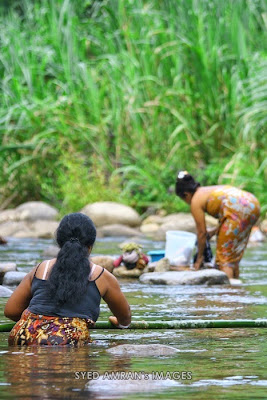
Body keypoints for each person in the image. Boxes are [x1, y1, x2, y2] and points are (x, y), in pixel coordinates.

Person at [4, 212, 131, 346]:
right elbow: (125, 318)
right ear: (90, 246)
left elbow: (11, 311)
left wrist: (40, 321)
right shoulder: (101, 276)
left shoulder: (41, 268)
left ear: (60, 243)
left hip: (24, 336)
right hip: (68, 341)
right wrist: (119, 322)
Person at [175, 171, 260, 279]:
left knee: (223, 260)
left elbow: (201, 233)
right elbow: (227, 214)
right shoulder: (207, 191)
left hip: (238, 209)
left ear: (186, 194)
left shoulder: (195, 201)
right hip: (253, 204)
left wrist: (199, 258)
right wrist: (215, 231)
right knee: (232, 258)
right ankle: (236, 288)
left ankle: (226, 292)